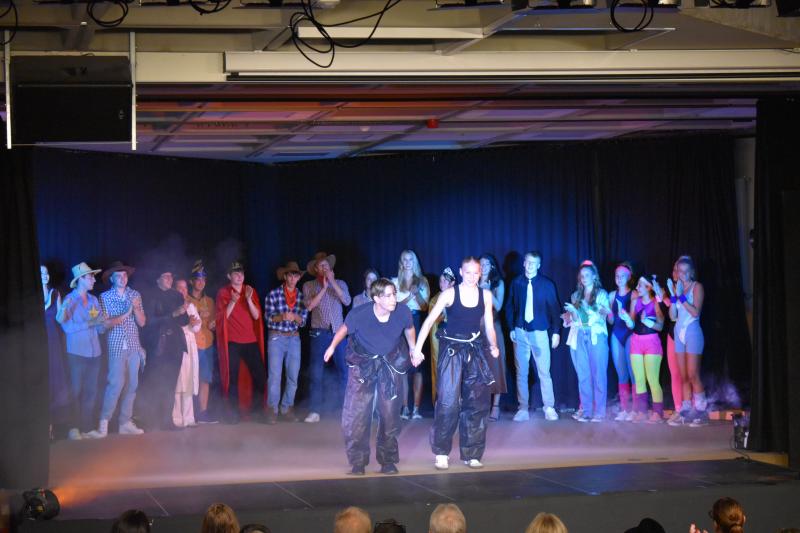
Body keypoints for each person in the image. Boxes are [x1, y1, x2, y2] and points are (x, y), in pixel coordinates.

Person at [323, 278, 420, 475]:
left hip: (389, 361)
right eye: (388, 296)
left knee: (390, 414)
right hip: (363, 362)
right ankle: (358, 462)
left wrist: (413, 349)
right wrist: (332, 347)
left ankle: (387, 461)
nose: (393, 299)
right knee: (357, 414)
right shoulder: (360, 314)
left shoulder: (402, 312)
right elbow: (344, 329)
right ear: (376, 298)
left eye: (394, 294)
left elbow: (409, 329)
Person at [414, 256, 500, 470]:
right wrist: (417, 349)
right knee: (448, 402)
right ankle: (442, 452)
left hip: (475, 350)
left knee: (477, 402)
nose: (472, 277)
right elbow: (429, 321)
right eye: (467, 272)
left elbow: (489, 325)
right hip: (452, 351)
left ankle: (472, 453)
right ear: (461, 272)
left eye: (476, 273)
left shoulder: (486, 295)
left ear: (480, 273)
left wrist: (493, 345)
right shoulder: (450, 294)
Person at [505, 251, 562, 422]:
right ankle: (522, 408)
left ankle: (549, 407)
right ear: (523, 263)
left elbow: (555, 309)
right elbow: (509, 306)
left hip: (540, 332)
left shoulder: (547, 284)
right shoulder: (516, 282)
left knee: (544, 372)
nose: (529, 266)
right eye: (527, 262)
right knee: (521, 372)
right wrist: (511, 327)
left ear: (539, 265)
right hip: (520, 331)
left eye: (533, 263)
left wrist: (556, 332)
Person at [93, 261, 147, 438]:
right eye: (118, 276)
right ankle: (103, 423)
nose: (123, 278)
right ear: (112, 279)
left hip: (134, 345)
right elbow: (104, 325)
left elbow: (142, 322)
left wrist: (136, 307)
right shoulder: (105, 297)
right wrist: (127, 311)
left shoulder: (135, 294)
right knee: (115, 384)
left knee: (132, 385)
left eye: (125, 275)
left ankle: (125, 423)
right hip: (116, 345)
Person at [57, 262, 105, 440]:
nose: (94, 280)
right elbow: (67, 328)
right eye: (91, 277)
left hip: (95, 353)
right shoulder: (69, 300)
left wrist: (103, 324)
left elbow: (99, 326)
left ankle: (87, 427)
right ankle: (73, 428)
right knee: (75, 391)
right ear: (80, 280)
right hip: (76, 353)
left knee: (91, 392)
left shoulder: (93, 300)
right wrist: (91, 323)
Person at [140, 267, 192, 431]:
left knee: (171, 382)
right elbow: (149, 321)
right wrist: (173, 314)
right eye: (166, 277)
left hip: (175, 344)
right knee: (155, 381)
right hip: (158, 344)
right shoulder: (150, 295)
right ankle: (150, 420)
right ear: (158, 279)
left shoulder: (177, 295)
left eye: (171, 277)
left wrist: (183, 312)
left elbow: (184, 321)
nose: (170, 279)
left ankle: (167, 420)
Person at [302, 252, 351, 423]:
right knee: (316, 373)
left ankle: (346, 410)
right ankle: (315, 411)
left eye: (326, 265)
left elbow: (346, 301)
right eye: (321, 266)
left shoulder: (341, 283)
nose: (324, 268)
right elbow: (309, 307)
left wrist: (332, 283)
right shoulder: (309, 285)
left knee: (344, 371)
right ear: (316, 269)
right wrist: (323, 288)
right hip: (319, 333)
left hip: (338, 333)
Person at [215, 261, 266, 424]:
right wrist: (232, 301)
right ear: (229, 276)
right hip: (233, 342)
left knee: (260, 376)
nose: (239, 276)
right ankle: (233, 414)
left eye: (241, 273)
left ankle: (258, 412)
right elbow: (222, 318)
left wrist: (249, 300)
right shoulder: (223, 292)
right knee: (233, 378)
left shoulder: (250, 290)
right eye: (235, 273)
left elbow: (257, 316)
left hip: (250, 340)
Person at [564, 261, 610, 423]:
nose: (584, 278)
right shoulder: (576, 296)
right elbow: (575, 318)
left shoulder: (602, 294)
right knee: (583, 375)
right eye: (582, 275)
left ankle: (600, 411)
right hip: (580, 336)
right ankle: (587, 411)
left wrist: (590, 306)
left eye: (587, 275)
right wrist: (570, 315)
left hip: (596, 336)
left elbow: (604, 315)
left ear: (594, 276)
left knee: (599, 375)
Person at [264, 261, 308, 424]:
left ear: (299, 278)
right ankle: (272, 410)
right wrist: (282, 316)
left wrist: (295, 317)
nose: (293, 278)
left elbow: (303, 321)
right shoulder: (273, 294)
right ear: (285, 276)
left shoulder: (302, 297)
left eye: (296, 275)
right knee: (274, 376)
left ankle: (287, 407)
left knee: (293, 376)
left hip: (294, 338)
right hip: (276, 337)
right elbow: (268, 319)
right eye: (290, 275)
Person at [666, 255, 708, 427]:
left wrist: (681, 297)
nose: (681, 274)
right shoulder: (678, 288)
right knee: (683, 376)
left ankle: (701, 413)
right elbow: (673, 316)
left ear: (691, 272)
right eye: (679, 271)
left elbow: (695, 312)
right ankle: (686, 411)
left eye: (685, 271)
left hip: (692, 332)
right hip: (679, 333)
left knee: (692, 375)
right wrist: (673, 296)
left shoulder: (697, 287)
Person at [620, 276, 665, 423]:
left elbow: (660, 326)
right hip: (636, 342)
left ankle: (657, 413)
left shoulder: (655, 303)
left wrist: (647, 321)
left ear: (648, 288)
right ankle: (642, 411)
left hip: (652, 342)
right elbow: (632, 324)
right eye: (638, 285)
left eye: (640, 285)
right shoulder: (635, 302)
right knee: (639, 379)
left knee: (652, 379)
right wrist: (627, 318)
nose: (637, 288)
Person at [392, 250, 430, 420]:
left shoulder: (422, 281)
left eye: (410, 260)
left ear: (415, 262)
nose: (407, 262)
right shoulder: (395, 281)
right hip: (399, 322)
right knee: (402, 366)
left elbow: (425, 306)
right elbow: (393, 306)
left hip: (416, 320)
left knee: (417, 367)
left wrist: (417, 294)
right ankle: (405, 407)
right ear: (401, 262)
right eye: (405, 260)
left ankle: (416, 409)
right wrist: (410, 296)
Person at [187, 261, 218, 424]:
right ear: (191, 281)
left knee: (205, 378)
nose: (201, 282)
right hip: (191, 345)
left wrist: (213, 324)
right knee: (189, 379)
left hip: (207, 344)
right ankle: (188, 413)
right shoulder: (185, 299)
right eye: (198, 279)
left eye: (203, 280)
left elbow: (213, 322)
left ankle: (203, 413)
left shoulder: (210, 301)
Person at [41, 265, 70, 439]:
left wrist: (65, 309)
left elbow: (60, 319)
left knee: (54, 381)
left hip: (52, 340)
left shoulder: (55, 293)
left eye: (46, 273)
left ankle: (50, 428)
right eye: (41, 273)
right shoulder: (29, 294)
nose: (45, 275)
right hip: (37, 341)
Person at [479, 253, 507, 421]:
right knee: (478, 367)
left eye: (486, 264)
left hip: (493, 328)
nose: (483, 267)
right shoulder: (473, 281)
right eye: (480, 264)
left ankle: (495, 406)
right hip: (476, 329)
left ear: (492, 266)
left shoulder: (498, 283)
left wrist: (487, 291)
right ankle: (481, 405)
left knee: (496, 366)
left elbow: (499, 306)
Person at [607, 262, 636, 421]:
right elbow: (611, 321)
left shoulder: (634, 294)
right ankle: (625, 409)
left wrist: (625, 316)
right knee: (621, 374)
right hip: (616, 335)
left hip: (630, 334)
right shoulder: (612, 295)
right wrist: (609, 313)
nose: (619, 278)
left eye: (623, 276)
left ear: (629, 277)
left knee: (634, 373)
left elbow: (633, 322)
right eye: (617, 276)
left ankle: (636, 410)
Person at [174, 278, 201, 428]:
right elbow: (173, 324)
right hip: (178, 345)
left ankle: (189, 417)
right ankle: (177, 418)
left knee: (189, 380)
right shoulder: (173, 306)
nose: (183, 290)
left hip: (191, 346)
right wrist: (188, 324)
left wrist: (194, 324)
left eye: (185, 288)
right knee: (179, 382)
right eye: (180, 288)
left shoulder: (191, 306)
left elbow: (197, 327)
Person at [659, 261, 683, 424]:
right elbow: (672, 313)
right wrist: (664, 296)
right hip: (672, 332)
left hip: (686, 333)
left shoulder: (692, 288)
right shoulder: (673, 288)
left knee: (686, 374)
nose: (675, 273)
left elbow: (685, 310)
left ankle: (690, 409)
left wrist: (675, 296)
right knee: (674, 373)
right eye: (674, 269)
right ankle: (679, 409)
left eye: (678, 270)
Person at [429, 267, 456, 402]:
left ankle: (456, 400)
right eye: (440, 281)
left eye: (445, 281)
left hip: (455, 338)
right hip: (440, 338)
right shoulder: (435, 300)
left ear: (452, 283)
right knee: (439, 367)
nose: (442, 284)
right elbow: (433, 319)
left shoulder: (459, 297)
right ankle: (439, 400)